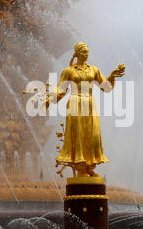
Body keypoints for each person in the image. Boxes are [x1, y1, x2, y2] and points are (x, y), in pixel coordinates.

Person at [46, 42, 125, 178]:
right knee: (79, 135)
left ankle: (89, 166)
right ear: (76, 54)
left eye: (87, 51)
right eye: (83, 52)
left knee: (93, 135)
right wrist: (50, 99)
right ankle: (81, 168)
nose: (86, 54)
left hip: (89, 103)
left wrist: (112, 76)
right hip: (75, 103)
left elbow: (105, 87)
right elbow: (61, 89)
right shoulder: (69, 71)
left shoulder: (94, 70)